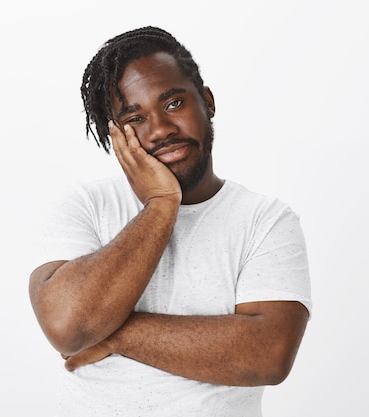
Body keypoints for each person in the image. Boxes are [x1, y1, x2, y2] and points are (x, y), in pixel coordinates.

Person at [28, 26, 311, 416]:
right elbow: (67, 327)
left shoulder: (264, 219)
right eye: (136, 118)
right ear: (116, 135)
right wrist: (161, 205)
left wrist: (116, 333)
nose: (161, 129)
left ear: (207, 102)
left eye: (174, 103)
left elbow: (267, 355)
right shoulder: (86, 205)